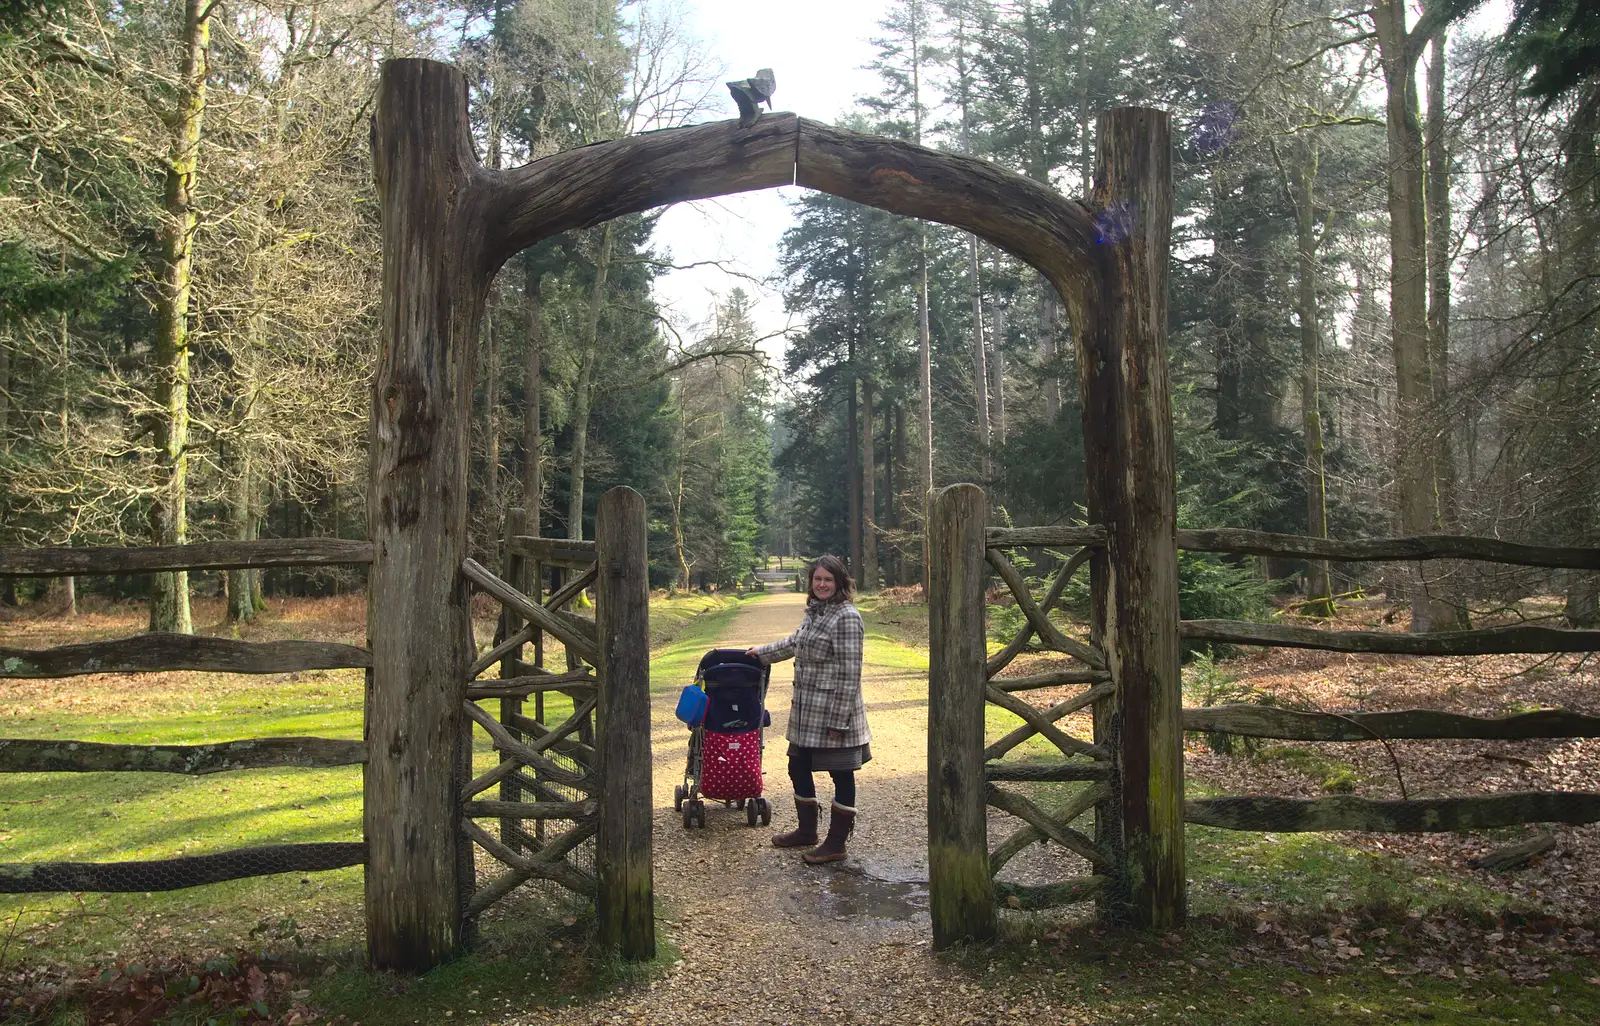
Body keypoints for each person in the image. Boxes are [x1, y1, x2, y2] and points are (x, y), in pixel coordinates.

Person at [747, 554, 870, 864]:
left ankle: (837, 843)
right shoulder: (815, 612)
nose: (822, 584)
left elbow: (850, 673)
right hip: (806, 713)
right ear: (811, 582)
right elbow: (794, 643)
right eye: (818, 579)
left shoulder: (847, 616)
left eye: (828, 580)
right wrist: (760, 653)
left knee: (841, 774)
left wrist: (839, 722)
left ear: (840, 582)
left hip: (833, 714)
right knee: (797, 766)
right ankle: (807, 831)